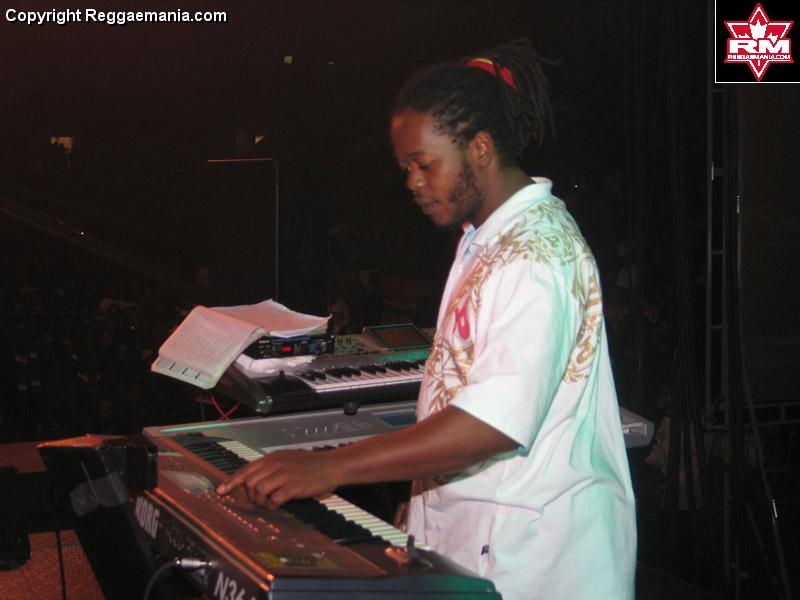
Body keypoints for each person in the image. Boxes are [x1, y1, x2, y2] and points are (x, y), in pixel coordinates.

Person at [218, 39, 636, 600]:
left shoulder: (536, 256)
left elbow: (491, 426)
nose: (413, 183)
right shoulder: (484, 238)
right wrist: (425, 501)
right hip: (480, 536)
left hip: (534, 560)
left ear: (480, 147)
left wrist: (331, 467)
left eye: (425, 165)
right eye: (405, 169)